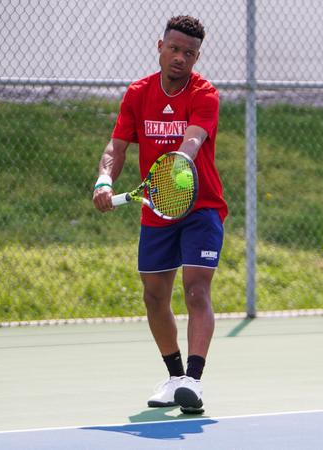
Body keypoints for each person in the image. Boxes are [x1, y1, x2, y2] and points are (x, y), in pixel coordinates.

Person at [92, 15, 227, 415]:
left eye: (189, 53)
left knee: (196, 289)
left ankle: (194, 381)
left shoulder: (204, 94)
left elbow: (194, 139)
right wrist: (104, 179)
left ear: (197, 56)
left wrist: (178, 164)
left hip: (201, 207)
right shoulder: (138, 93)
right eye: (174, 49)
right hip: (157, 206)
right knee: (154, 296)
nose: (180, 58)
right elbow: (117, 147)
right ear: (160, 46)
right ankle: (173, 377)